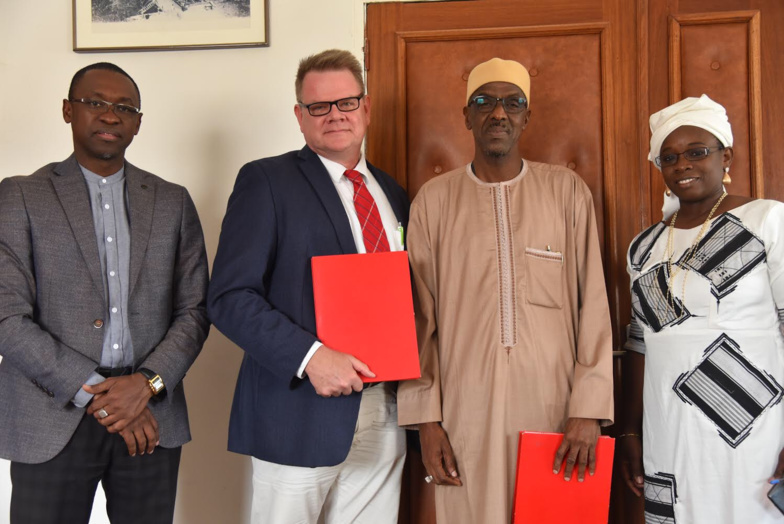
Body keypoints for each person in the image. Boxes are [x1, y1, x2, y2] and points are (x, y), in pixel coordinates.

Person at [396, 57, 614, 523]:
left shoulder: (566, 193)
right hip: (463, 417)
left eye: (512, 103)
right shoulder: (434, 202)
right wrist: (425, 421)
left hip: (556, 414)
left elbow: (593, 305)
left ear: (526, 116)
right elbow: (417, 320)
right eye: (485, 102)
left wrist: (589, 410)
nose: (499, 114)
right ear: (467, 116)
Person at [0, 62, 210, 524]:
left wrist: (146, 385)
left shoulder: (172, 201)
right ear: (68, 110)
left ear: (137, 122)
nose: (110, 116)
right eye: (95, 103)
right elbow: (7, 319)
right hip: (50, 415)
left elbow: (194, 311)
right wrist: (104, 397)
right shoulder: (19, 197)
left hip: (152, 416)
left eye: (125, 108)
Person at [207, 49, 409, 524]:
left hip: (386, 412)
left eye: (346, 102)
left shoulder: (392, 191)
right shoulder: (266, 181)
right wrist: (311, 357)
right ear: (299, 116)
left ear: (366, 107)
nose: (334, 115)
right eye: (318, 106)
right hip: (297, 411)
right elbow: (229, 298)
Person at [620, 94, 784, 523]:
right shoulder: (644, 246)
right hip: (668, 431)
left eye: (697, 152)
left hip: (754, 431)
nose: (683, 165)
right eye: (669, 157)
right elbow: (640, 344)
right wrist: (630, 430)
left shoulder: (766, 221)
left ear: (725, 155)